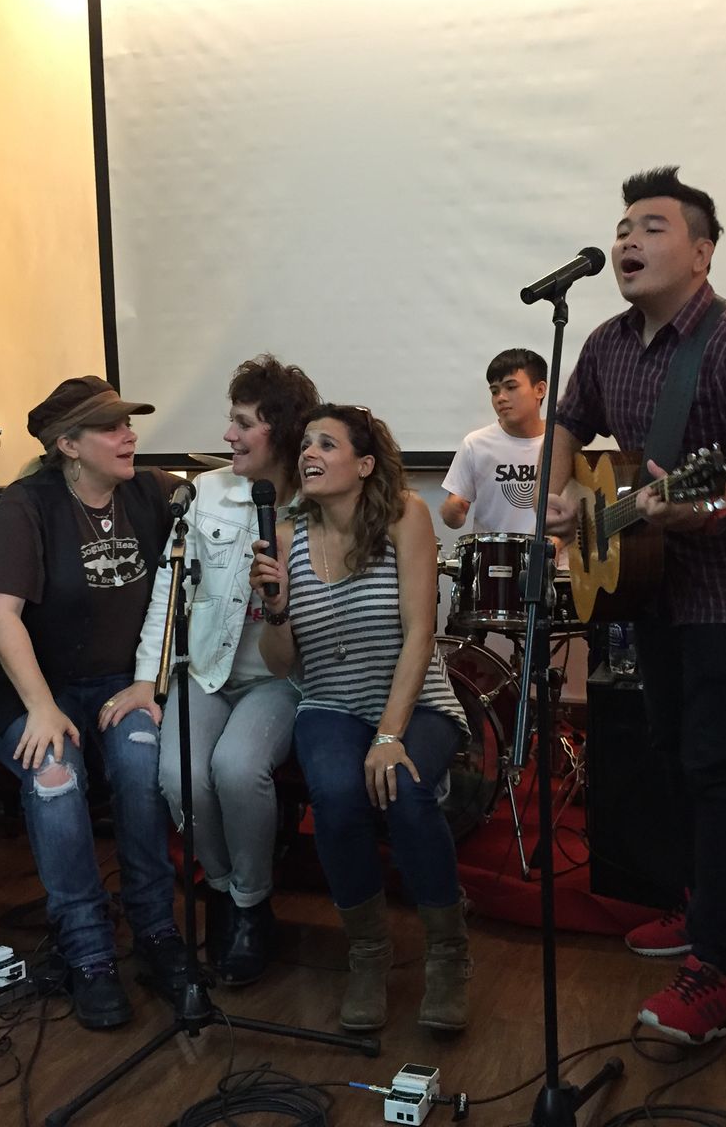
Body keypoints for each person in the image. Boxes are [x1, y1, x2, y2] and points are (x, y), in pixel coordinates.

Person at [545, 167, 726, 1045]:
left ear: (701, 253)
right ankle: (708, 905)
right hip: (647, 575)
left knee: (718, 762)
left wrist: (708, 507)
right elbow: (567, 423)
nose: (628, 240)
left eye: (652, 227)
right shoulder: (606, 343)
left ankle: (715, 969)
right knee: (665, 745)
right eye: (623, 227)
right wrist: (562, 497)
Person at [0, 376, 189, 1030]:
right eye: (111, 427)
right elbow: (1, 613)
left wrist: (149, 681)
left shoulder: (149, 492)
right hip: (35, 689)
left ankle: (156, 931)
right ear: (67, 445)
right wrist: (41, 707)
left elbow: (185, 573)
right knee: (55, 776)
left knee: (142, 763)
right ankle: (88, 950)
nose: (129, 436)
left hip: (122, 683)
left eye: (129, 424)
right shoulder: (26, 505)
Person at [249, 404, 473, 1033]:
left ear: (365, 464)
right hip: (330, 702)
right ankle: (368, 954)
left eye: (327, 444)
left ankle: (449, 954)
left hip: (416, 701)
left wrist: (390, 735)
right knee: (336, 796)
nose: (308, 454)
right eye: (306, 444)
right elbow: (280, 663)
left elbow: (421, 633)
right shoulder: (285, 536)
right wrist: (274, 607)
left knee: (404, 789)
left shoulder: (406, 515)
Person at [100, 354, 321, 986]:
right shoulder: (207, 493)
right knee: (180, 776)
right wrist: (148, 679)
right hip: (204, 673)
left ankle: (251, 907)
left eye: (243, 423)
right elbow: (168, 593)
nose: (228, 435)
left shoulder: (319, 501)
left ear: (280, 432)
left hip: (281, 679)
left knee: (237, 769)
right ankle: (224, 891)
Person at [440, 348, 550, 533]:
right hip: (493, 551)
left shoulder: (561, 442)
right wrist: (451, 512)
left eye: (511, 387)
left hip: (552, 551)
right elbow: (454, 520)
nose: (501, 398)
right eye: (494, 391)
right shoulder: (475, 444)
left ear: (539, 390)